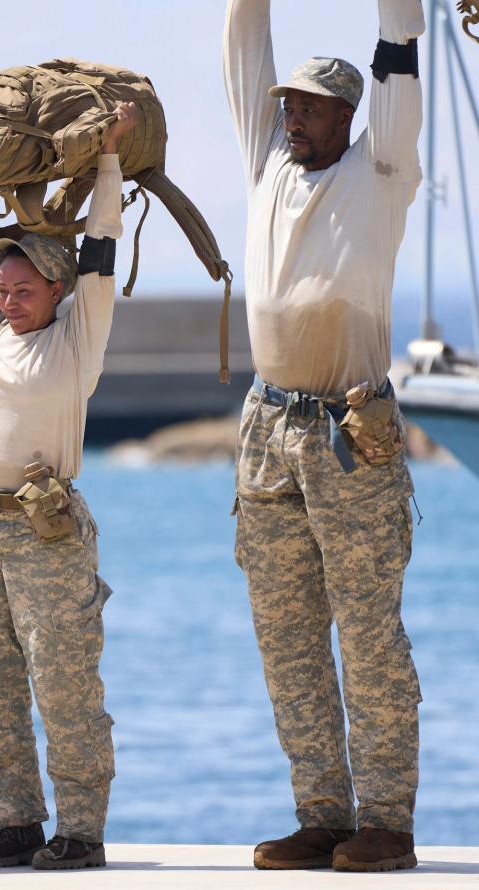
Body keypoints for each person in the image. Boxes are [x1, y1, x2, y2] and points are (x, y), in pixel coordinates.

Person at [223, 0, 425, 874]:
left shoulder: (382, 171)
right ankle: (321, 814)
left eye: (307, 107)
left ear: (348, 115)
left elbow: (399, 68)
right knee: (288, 632)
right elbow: (243, 42)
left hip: (349, 430)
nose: (290, 117)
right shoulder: (268, 164)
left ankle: (385, 821)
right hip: (268, 429)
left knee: (369, 632)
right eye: (287, 106)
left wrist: (397, 11)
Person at [0, 103, 137, 872]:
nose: (8, 296)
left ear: (57, 291)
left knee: (63, 684)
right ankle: (18, 822)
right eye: (4, 286)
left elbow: (101, 246)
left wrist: (111, 157)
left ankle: (81, 832)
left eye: (24, 288)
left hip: (46, 528)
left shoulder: (76, 340)